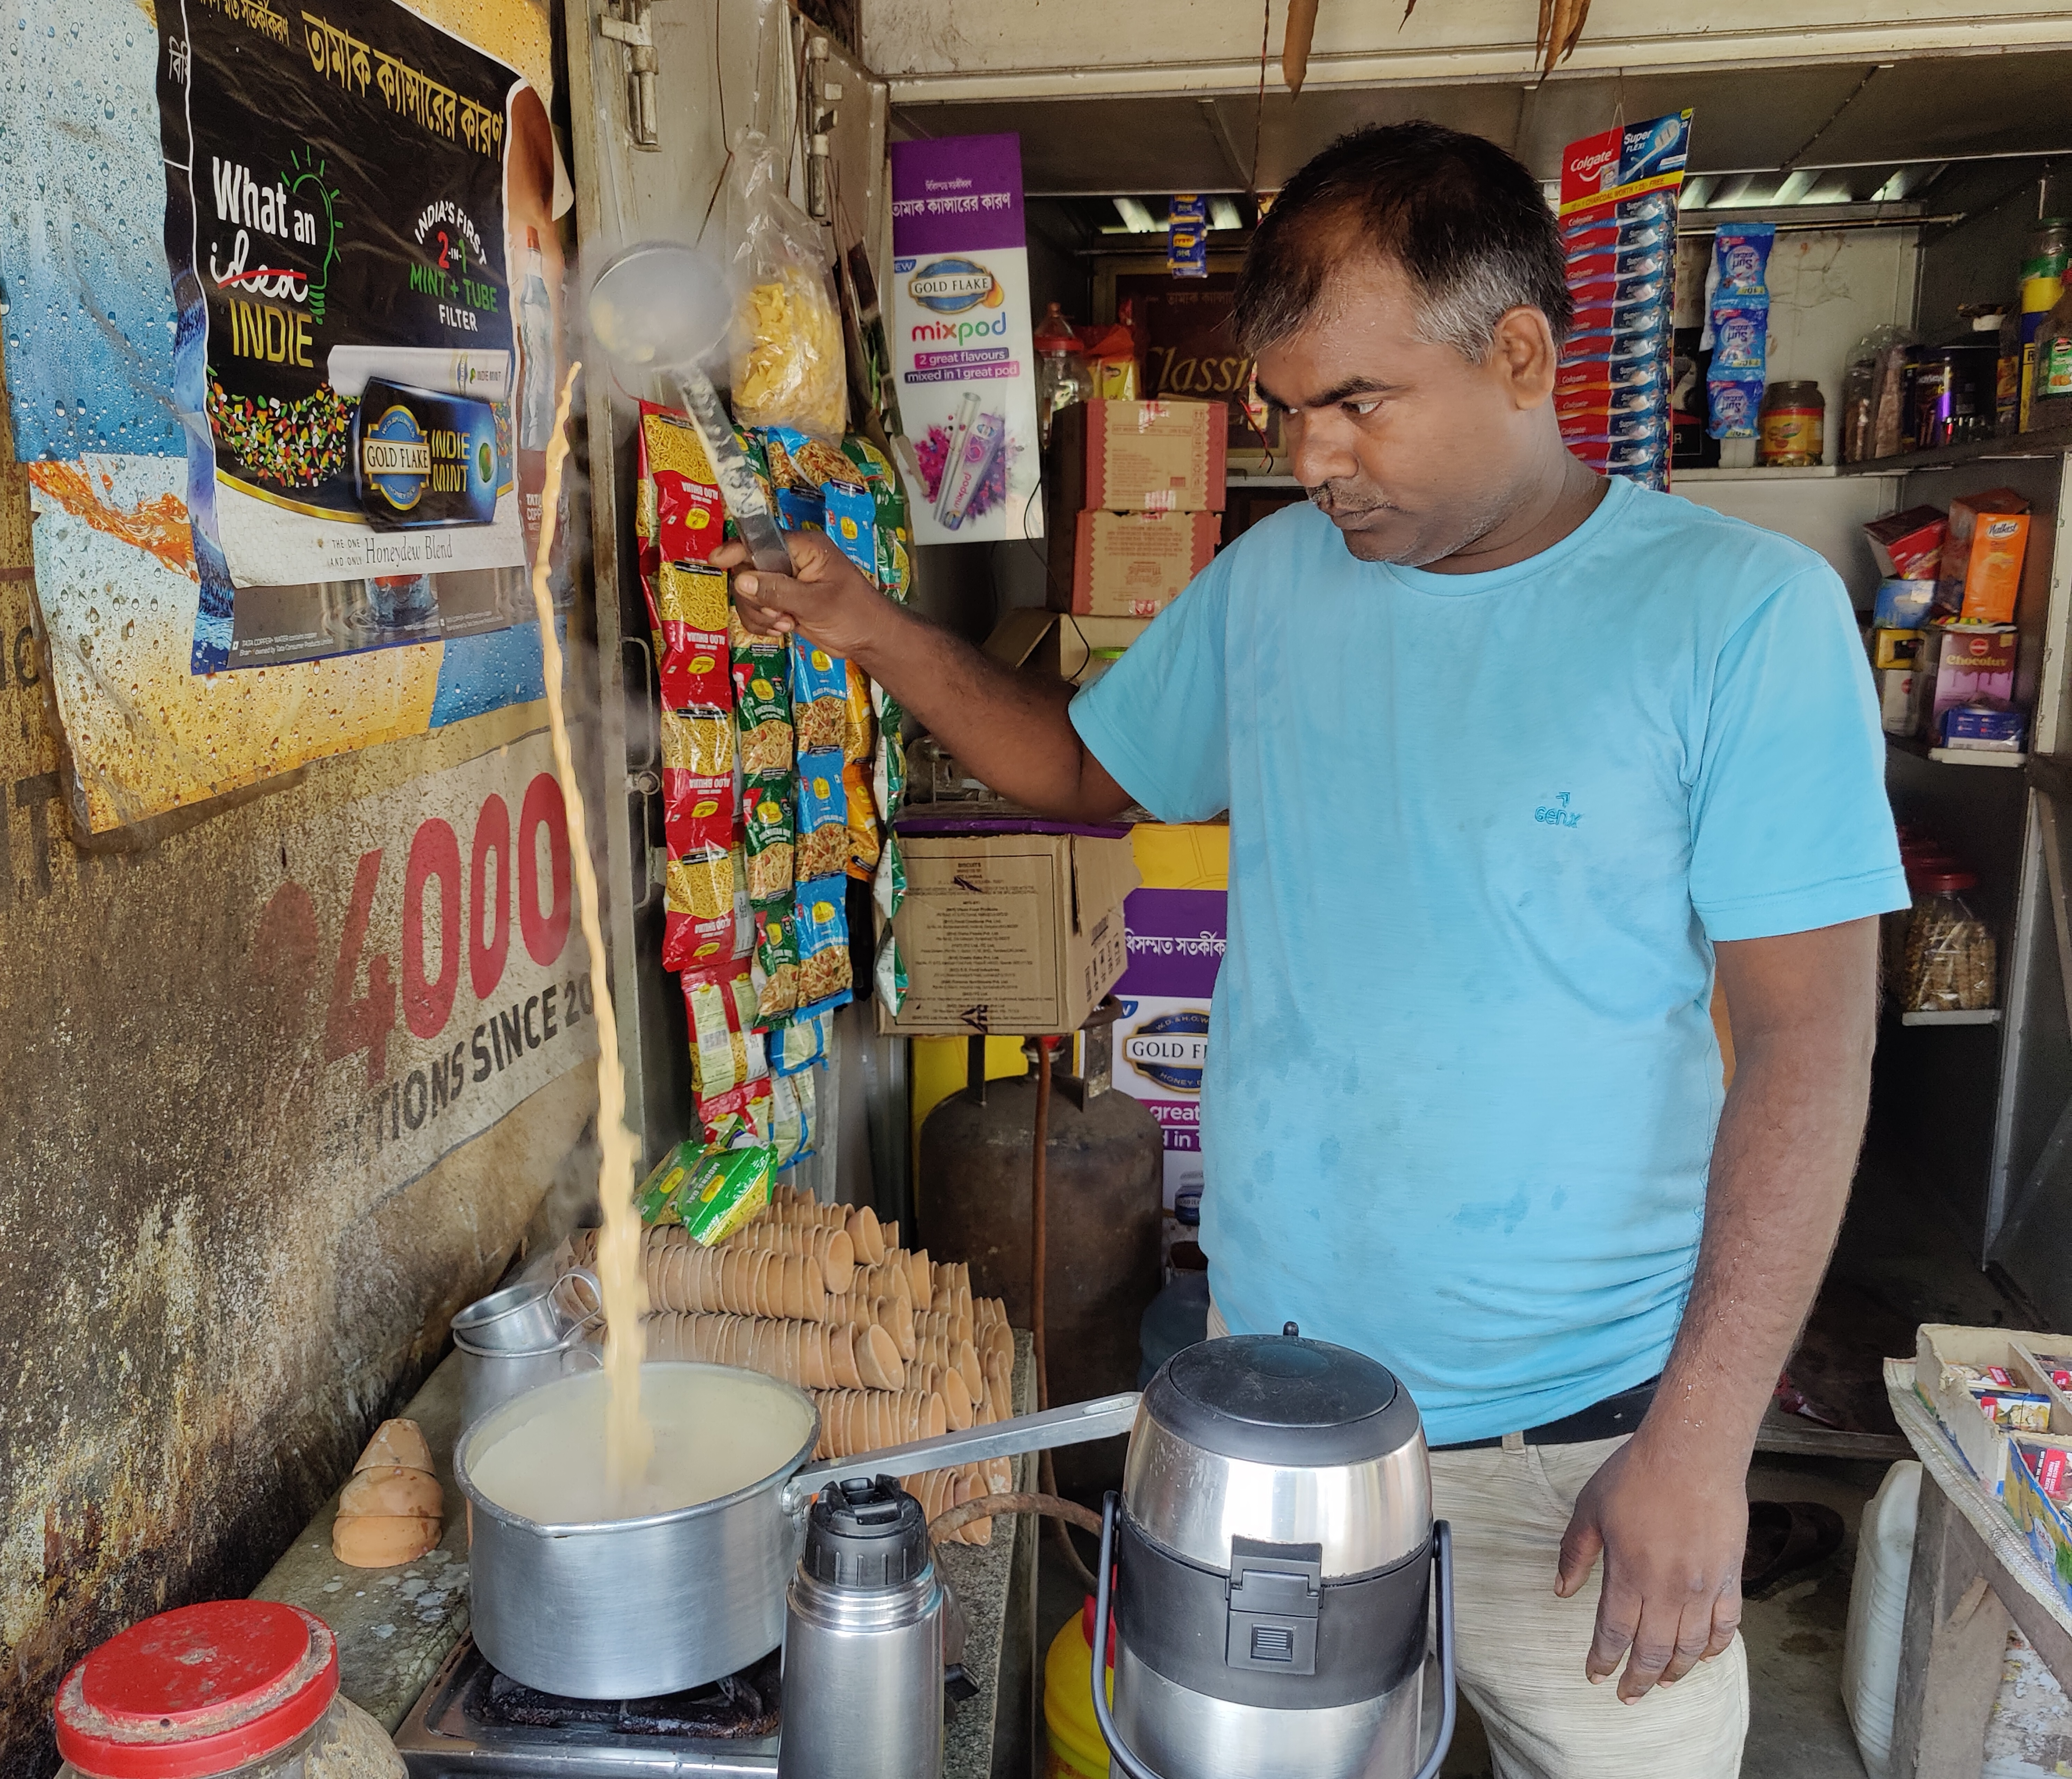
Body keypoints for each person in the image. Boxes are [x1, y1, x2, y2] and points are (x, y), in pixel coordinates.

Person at [718, 122, 1905, 1778]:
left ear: (1518, 356)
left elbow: (1809, 1046)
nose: (1317, 454)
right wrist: (865, 618)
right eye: (1286, 409)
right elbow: (1080, 766)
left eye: (1359, 401)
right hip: (1267, 1420)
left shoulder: (1740, 619)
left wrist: (1703, 1444)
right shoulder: (1275, 580)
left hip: (1575, 1446)